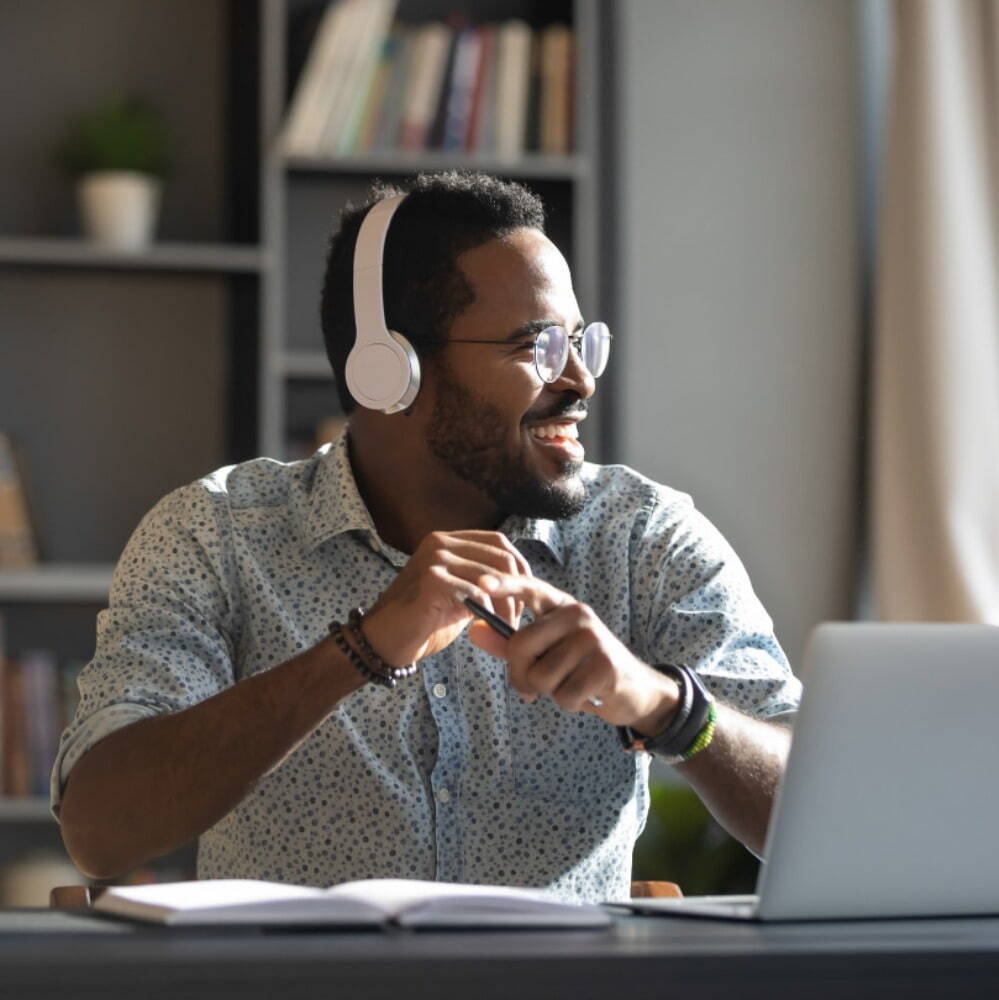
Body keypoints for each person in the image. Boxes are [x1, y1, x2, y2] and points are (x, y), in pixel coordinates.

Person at [54, 172, 801, 903]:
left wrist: (666, 705)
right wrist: (360, 651)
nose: (579, 380)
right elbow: (100, 830)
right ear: (391, 371)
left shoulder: (642, 536)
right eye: (536, 346)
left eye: (580, 342)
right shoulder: (216, 533)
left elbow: (824, 804)